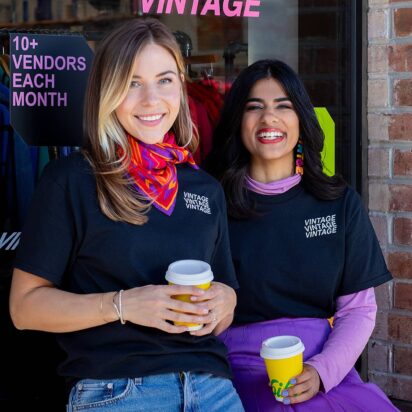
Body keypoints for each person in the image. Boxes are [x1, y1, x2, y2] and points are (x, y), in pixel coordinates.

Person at [9, 19, 244, 412]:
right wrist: (124, 305)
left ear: (181, 88)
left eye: (165, 80)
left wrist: (225, 302)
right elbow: (24, 308)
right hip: (117, 391)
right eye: (132, 83)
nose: (152, 99)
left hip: (214, 390)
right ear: (107, 91)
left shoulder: (205, 188)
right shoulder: (72, 181)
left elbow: (225, 308)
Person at [205, 59, 398, 411]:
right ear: (238, 121)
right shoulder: (210, 204)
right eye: (254, 107)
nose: (269, 119)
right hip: (235, 373)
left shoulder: (338, 203)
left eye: (284, 106)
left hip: (322, 367)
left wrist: (322, 371)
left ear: (301, 120)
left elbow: (358, 310)